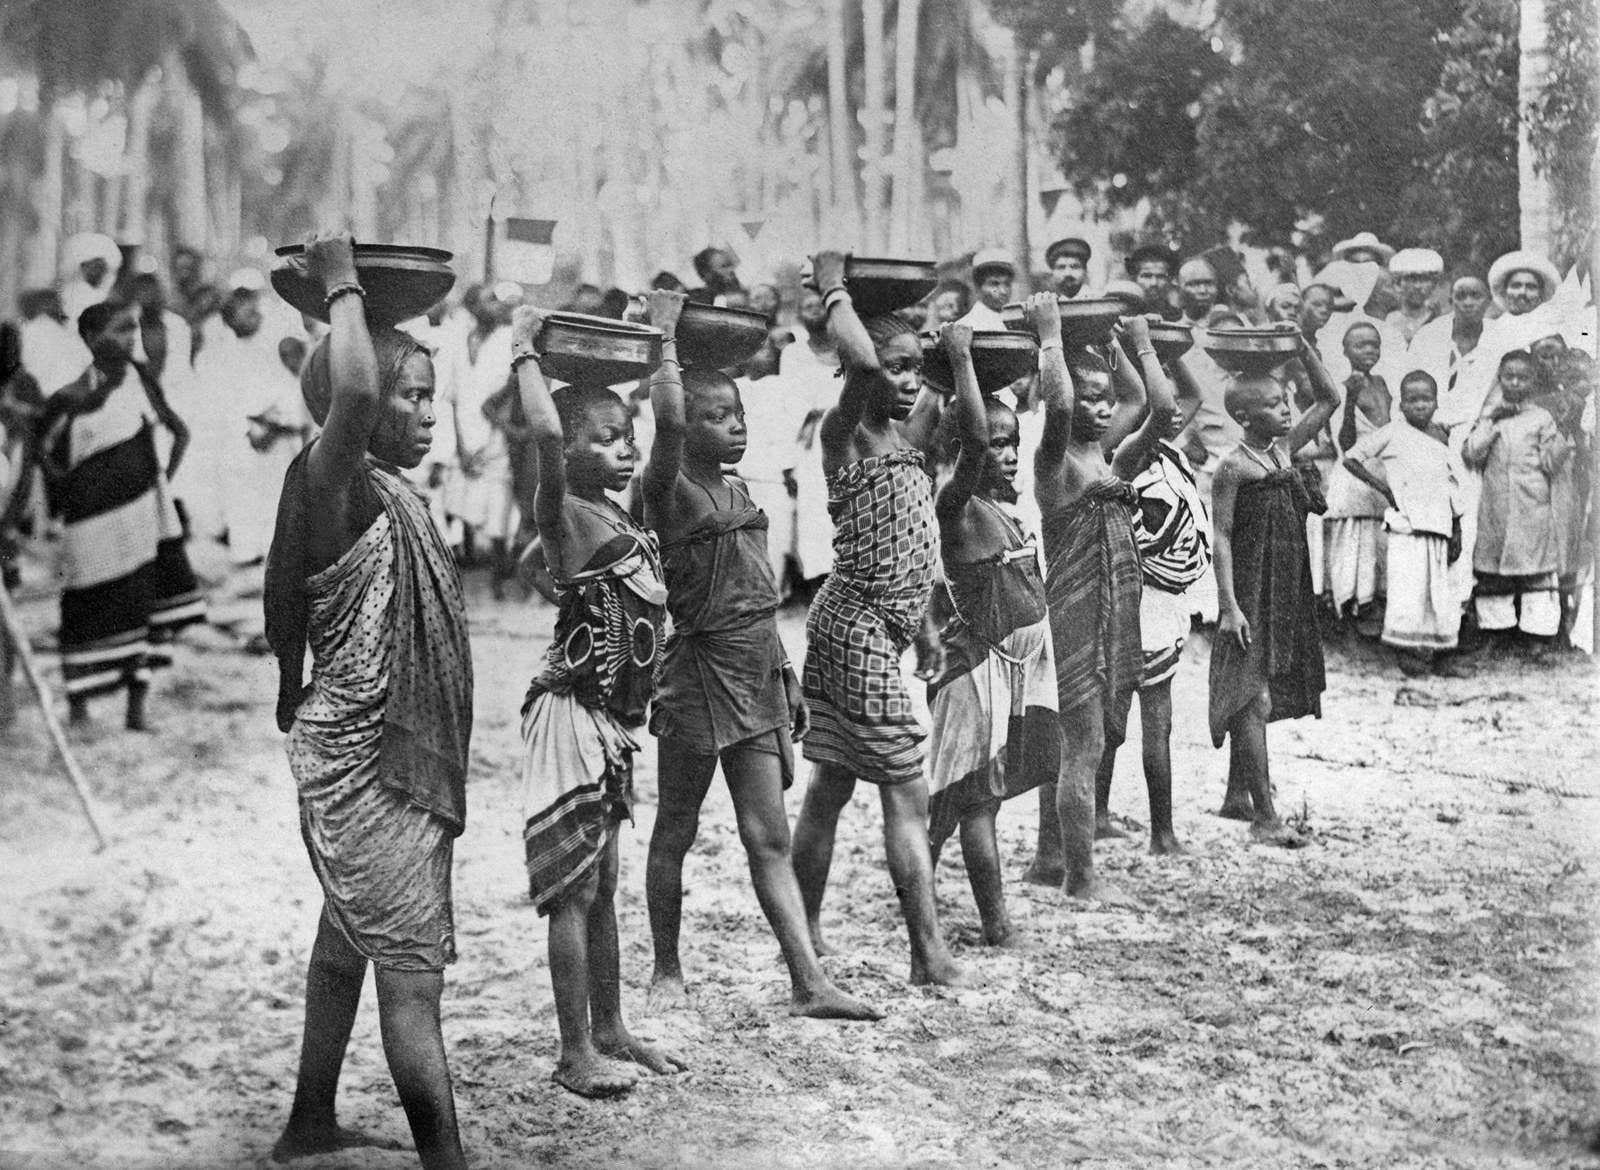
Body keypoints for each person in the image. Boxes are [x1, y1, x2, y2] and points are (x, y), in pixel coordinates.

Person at [261, 233, 470, 1170]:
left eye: (431, 395)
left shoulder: (387, 494)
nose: (428, 415)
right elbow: (345, 393)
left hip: (376, 754)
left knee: (346, 939)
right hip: (368, 761)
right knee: (412, 983)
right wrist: (343, 282)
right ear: (355, 408)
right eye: (410, 396)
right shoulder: (330, 482)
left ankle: (310, 1119)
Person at [637, 289, 877, 1019]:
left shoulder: (741, 487)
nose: (733, 427)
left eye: (738, 414)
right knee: (674, 829)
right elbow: (671, 418)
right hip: (696, 674)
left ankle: (807, 981)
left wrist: (785, 673)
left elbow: (756, 597)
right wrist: (664, 338)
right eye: (717, 416)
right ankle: (667, 966)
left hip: (756, 671)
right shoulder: (666, 489)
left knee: (767, 835)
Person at [508, 304, 686, 1097]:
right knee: (573, 893)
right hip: (572, 719)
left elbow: (672, 433)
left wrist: (667, 342)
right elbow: (543, 438)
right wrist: (521, 353)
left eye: (626, 438)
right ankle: (574, 1049)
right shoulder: (562, 509)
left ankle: (610, 1027)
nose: (621, 451)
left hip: (612, 725)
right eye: (602, 439)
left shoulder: (614, 511)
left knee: (605, 885)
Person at [788, 250, 963, 986]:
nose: (905, 379)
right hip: (853, 625)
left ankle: (801, 928)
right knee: (903, 788)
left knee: (829, 782)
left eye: (913, 368)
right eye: (894, 367)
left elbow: (916, 536)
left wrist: (922, 625)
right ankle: (928, 954)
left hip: (868, 628)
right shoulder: (847, 433)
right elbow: (858, 367)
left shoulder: (902, 442)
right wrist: (834, 290)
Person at [1024, 314, 1173, 901]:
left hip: (1110, 619)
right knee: (1082, 748)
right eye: (1091, 399)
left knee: (1075, 747)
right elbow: (1058, 409)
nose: (1103, 408)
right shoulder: (1054, 465)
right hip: (1074, 621)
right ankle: (1081, 881)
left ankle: (1046, 860)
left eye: (1106, 399)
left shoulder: (1110, 464)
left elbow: (1156, 408)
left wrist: (1131, 343)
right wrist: (1051, 337)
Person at [925, 317, 1059, 945]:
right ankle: (997, 925)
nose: (1005, 454)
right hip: (972, 676)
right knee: (974, 803)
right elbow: (973, 441)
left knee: (963, 799)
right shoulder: (951, 506)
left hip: (1005, 676)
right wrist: (960, 365)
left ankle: (916, 877)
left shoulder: (1002, 511)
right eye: (995, 444)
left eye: (1013, 443)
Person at [37, 300, 205, 730]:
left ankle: (136, 711)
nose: (130, 338)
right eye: (119, 330)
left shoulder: (140, 379)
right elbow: (44, 457)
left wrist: (158, 482)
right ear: (90, 340)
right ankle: (79, 706)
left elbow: (179, 431)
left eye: (132, 329)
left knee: (140, 607)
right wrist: (73, 494)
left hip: (140, 521)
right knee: (84, 606)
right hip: (88, 525)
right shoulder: (67, 399)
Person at [1209, 330, 1340, 845]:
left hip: (1285, 585)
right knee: (1252, 694)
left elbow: (1330, 398)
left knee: (1264, 683)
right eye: (1272, 404)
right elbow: (1219, 535)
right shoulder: (1233, 466)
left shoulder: (1284, 449)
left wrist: (1303, 349)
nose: (1287, 409)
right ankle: (1265, 817)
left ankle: (1236, 796)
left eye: (1285, 399)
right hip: (1248, 588)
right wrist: (1228, 607)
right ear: (1244, 417)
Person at [1095, 367, 1211, 854]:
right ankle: (1156, 832)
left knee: (1132, 724)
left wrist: (1166, 355)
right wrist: (1137, 347)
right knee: (1128, 724)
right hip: (1138, 603)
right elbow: (1165, 405)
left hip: (1159, 601)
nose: (1176, 408)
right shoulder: (1131, 457)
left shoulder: (1165, 453)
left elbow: (1191, 394)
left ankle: (1114, 819)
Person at [1341, 370, 1466, 675]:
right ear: (1401, 404)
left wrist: (1457, 527)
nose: (1419, 405)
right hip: (1406, 528)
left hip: (1439, 527)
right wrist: (1383, 488)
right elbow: (1351, 457)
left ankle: (1437, 652)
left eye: (1426, 399)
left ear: (1436, 403)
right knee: (1408, 593)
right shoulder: (1392, 433)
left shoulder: (1440, 437)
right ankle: (1407, 653)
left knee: (1438, 593)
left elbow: (1450, 485)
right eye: (1412, 400)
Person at [1462, 349, 1574, 650]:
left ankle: (1537, 637)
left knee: (1535, 570)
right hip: (1496, 506)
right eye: (1508, 377)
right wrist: (1490, 422)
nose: (1514, 383)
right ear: (1499, 379)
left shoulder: (1541, 418)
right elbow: (1472, 454)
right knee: (1493, 570)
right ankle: (1496, 634)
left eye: (1522, 377)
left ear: (1533, 380)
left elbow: (1552, 464)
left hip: (1531, 506)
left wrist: (1564, 431)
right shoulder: (1491, 414)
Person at [1321, 321, 1391, 632]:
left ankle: (1371, 608)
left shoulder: (1383, 384)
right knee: (1353, 544)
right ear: (1345, 351)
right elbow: (1346, 443)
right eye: (1361, 345)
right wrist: (1349, 399)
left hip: (1380, 472)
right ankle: (1349, 614)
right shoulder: (1341, 386)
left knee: (1377, 544)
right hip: (1353, 475)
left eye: (1374, 345)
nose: (1369, 351)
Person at [444, 283, 517, 574]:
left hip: (497, 429)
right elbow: (453, 395)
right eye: (488, 301)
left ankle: (500, 568)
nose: (496, 306)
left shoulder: (507, 338)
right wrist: (461, 445)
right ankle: (466, 557)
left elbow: (513, 384)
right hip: (465, 427)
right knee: (460, 493)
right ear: (473, 307)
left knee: (498, 497)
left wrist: (498, 411)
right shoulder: (461, 339)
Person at [60, 233, 123, 325]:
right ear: (83, 266)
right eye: (96, 266)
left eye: (104, 267)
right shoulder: (74, 294)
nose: (102, 272)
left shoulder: (100, 295)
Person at [1385, 249, 1444, 345]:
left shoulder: (1439, 322)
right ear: (1398, 284)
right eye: (1411, 279)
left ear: (1434, 285)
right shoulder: (1387, 320)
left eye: (1424, 279)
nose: (1417, 286)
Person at [962, 249, 1015, 330]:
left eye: (1007, 284)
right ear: (977, 287)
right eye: (994, 284)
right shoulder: (968, 326)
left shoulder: (1013, 322)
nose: (1003, 291)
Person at [1126, 244, 1179, 319]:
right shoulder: (1124, 316)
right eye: (1147, 276)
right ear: (1134, 280)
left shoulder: (1179, 318)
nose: (1154, 283)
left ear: (1170, 280)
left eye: (1161, 277)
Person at [1176, 258, 1219, 327]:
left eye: (1209, 283)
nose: (1203, 290)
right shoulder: (1173, 330)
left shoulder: (1229, 326)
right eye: (1194, 284)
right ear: (1179, 289)